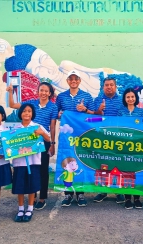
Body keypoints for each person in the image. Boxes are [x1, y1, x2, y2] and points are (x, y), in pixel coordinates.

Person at [7, 82, 58, 210]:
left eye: (46, 91)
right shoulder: (32, 103)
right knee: (33, 169)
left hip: (44, 139)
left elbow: (52, 126)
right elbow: (13, 105)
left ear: (50, 93)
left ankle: (42, 198)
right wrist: (10, 92)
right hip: (29, 140)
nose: (44, 93)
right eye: (42, 90)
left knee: (43, 170)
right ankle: (33, 196)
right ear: (38, 91)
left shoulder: (53, 107)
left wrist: (52, 143)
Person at [56, 70, 95, 207]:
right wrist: (60, 114)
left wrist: (85, 110)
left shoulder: (87, 96)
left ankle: (81, 193)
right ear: (67, 81)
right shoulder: (61, 97)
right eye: (70, 79)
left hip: (82, 135)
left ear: (79, 81)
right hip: (67, 136)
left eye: (76, 79)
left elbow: (94, 114)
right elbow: (57, 114)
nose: (73, 81)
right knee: (67, 161)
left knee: (81, 160)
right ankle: (68, 195)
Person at [12, 103, 50, 223]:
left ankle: (30, 208)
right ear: (20, 113)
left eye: (29, 111)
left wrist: (42, 133)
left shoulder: (37, 126)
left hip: (33, 162)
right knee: (20, 186)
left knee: (32, 186)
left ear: (32, 113)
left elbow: (49, 139)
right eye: (24, 111)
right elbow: (10, 144)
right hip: (19, 162)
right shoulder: (15, 129)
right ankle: (20, 208)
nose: (26, 113)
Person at [93, 78, 125, 204]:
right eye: (106, 85)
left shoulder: (122, 100)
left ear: (116, 86)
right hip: (102, 139)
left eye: (112, 85)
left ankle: (119, 192)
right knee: (103, 164)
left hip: (118, 138)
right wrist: (99, 110)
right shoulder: (97, 100)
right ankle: (102, 191)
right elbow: (93, 118)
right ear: (103, 87)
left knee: (118, 163)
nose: (109, 87)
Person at [116, 88, 143, 209]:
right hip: (123, 147)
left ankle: (137, 198)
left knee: (136, 171)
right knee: (125, 171)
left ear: (136, 98)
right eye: (128, 97)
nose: (130, 99)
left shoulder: (141, 112)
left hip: (137, 146)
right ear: (124, 99)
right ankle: (127, 198)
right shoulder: (120, 112)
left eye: (132, 97)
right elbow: (117, 128)